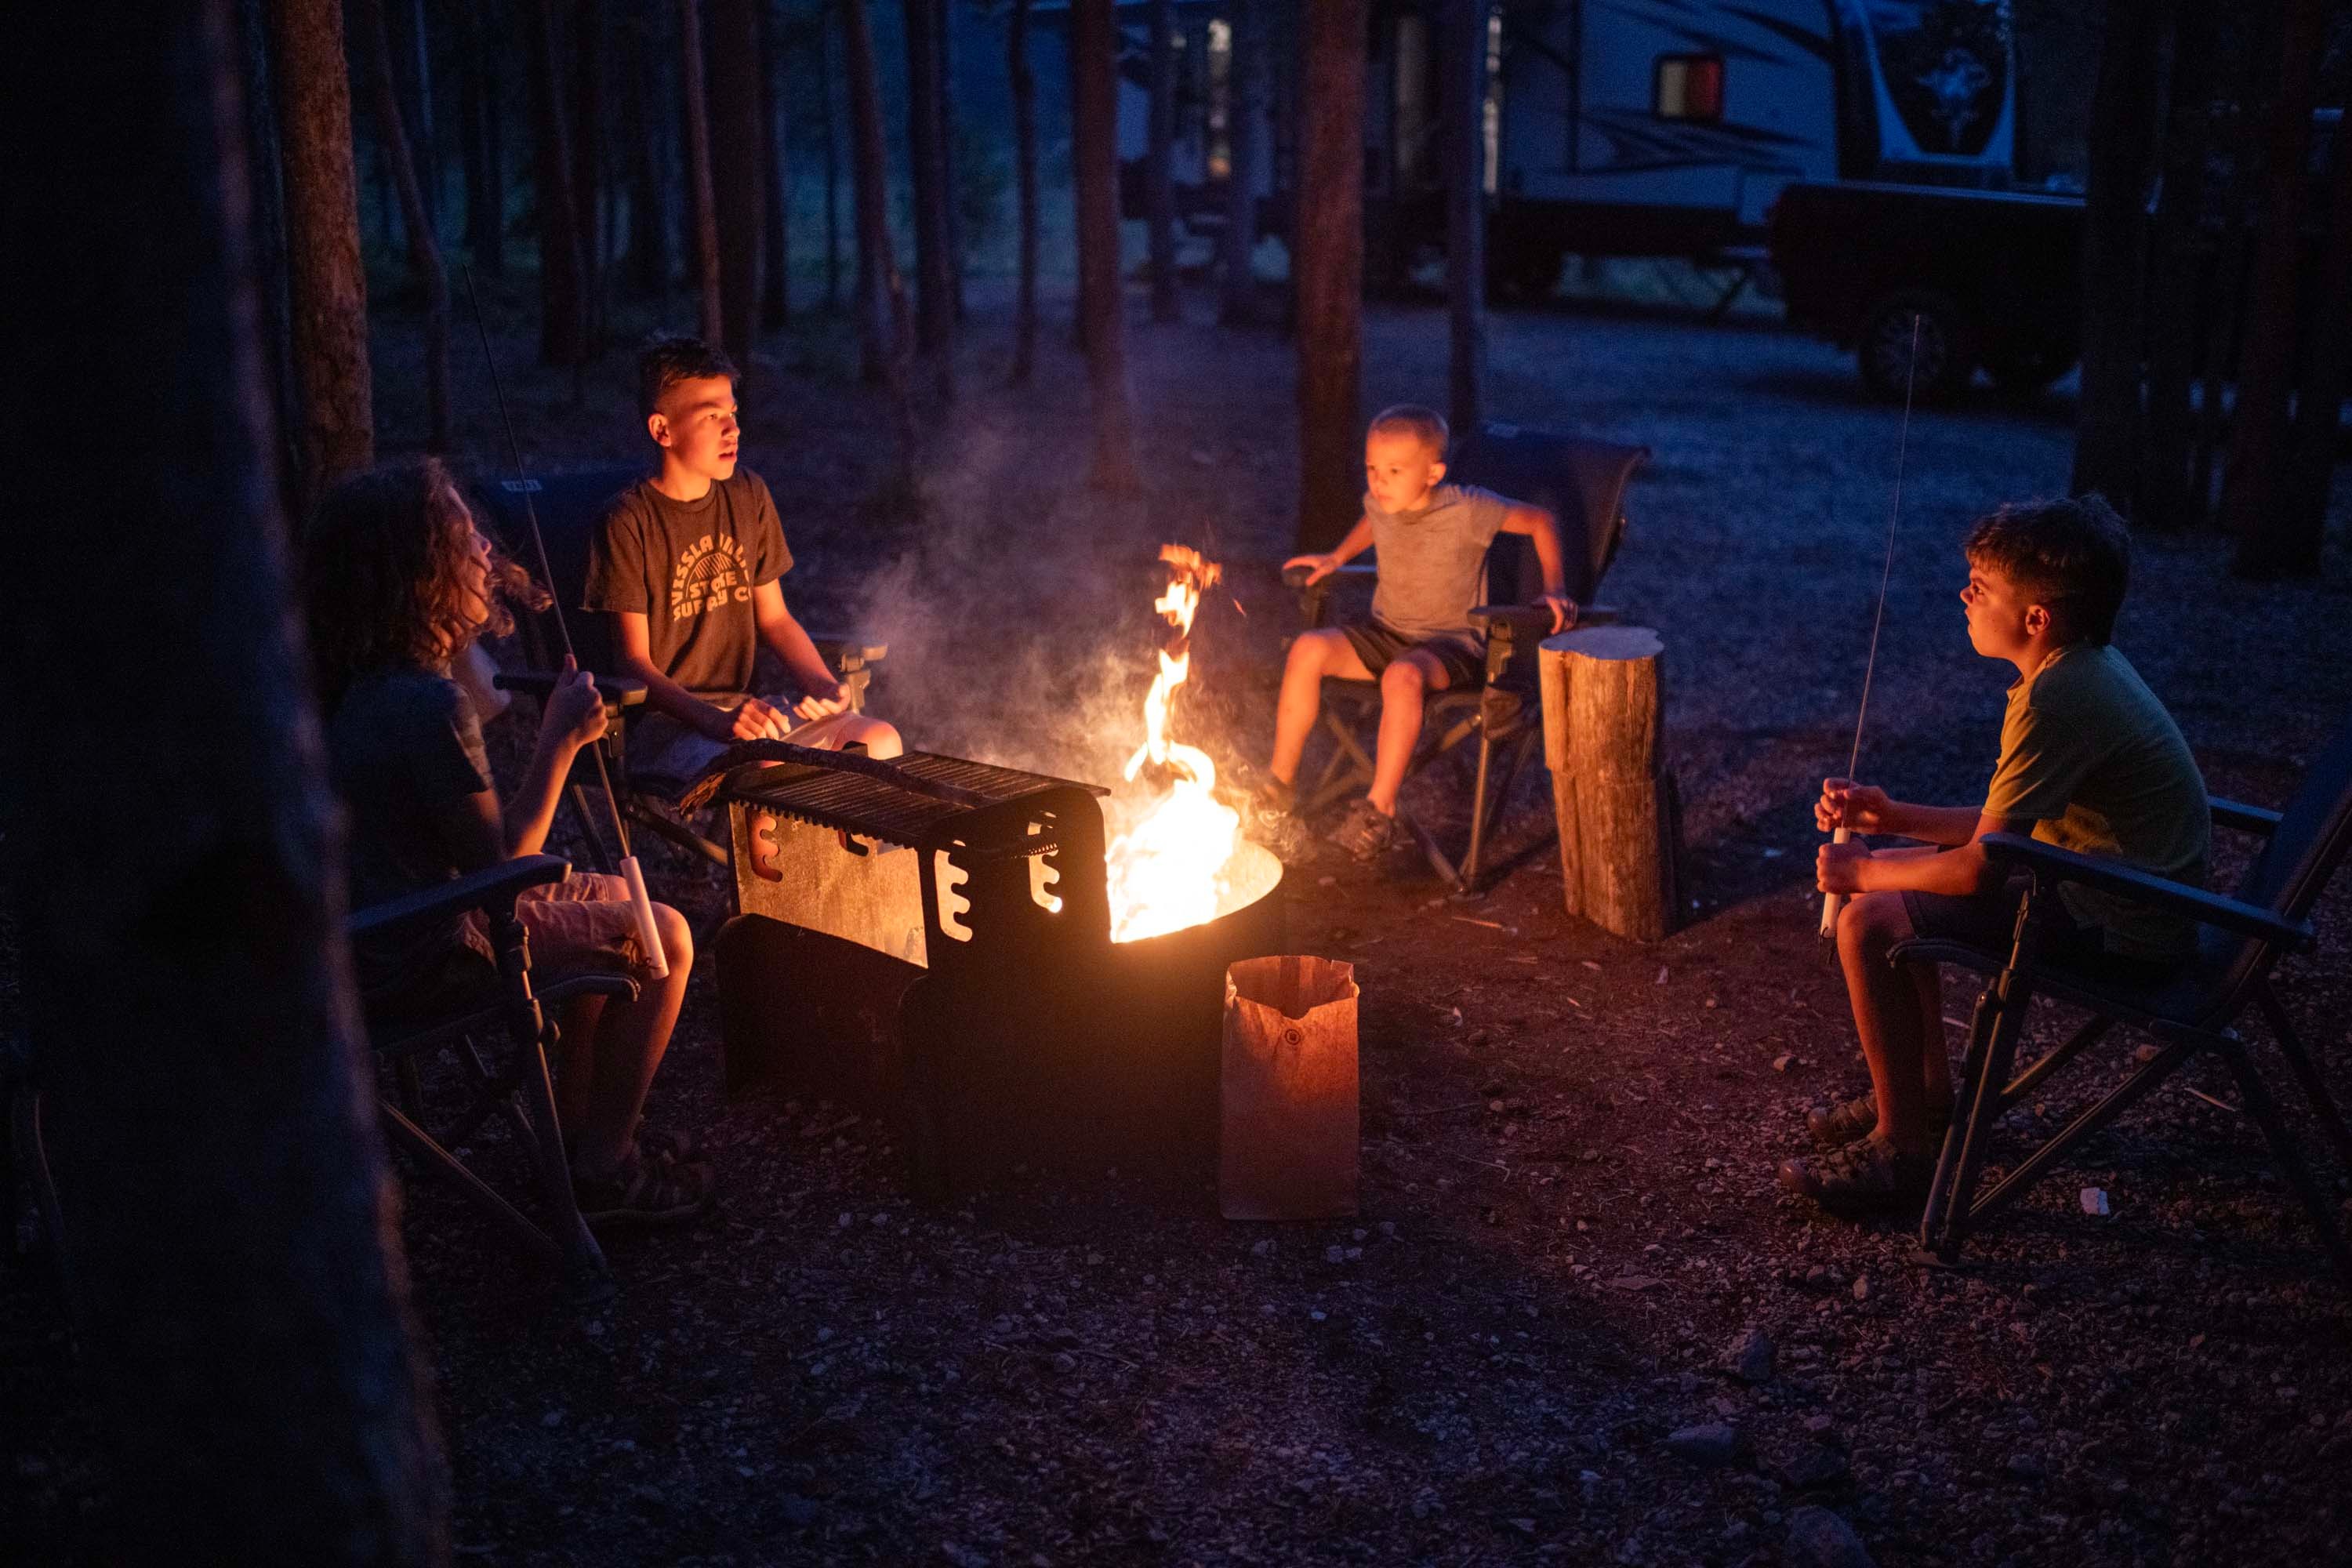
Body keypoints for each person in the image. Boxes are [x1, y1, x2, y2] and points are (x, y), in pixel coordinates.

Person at [304, 460, 713, 1227]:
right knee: (668, 937)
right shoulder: (427, 706)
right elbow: (504, 866)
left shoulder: (369, 689)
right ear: (420, 572)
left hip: (391, 927)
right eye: (467, 542)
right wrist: (561, 739)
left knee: (610, 906)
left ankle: (577, 1141)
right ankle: (605, 1167)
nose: (487, 555)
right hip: (426, 950)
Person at [1784, 495, 2209, 1216]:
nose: (1964, 595)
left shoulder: (2055, 700)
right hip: (2110, 888)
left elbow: (1981, 865)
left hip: (2125, 922)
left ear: (2035, 617)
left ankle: (1904, 1150)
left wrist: (1861, 870)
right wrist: (1888, 817)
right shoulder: (2076, 670)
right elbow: (2000, 829)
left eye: (1981, 586)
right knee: (1895, 882)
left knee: (1867, 920)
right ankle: (1922, 1100)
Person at [586, 334, 900, 787]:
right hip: (669, 730)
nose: (733, 429)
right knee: (773, 766)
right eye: (712, 416)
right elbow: (635, 663)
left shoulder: (747, 495)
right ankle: (781, 861)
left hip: (748, 713)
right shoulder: (628, 522)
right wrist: (714, 721)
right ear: (662, 430)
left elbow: (775, 619)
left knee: (878, 740)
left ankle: (856, 860)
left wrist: (825, 687)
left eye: (732, 413)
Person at [1268, 405, 1573, 858]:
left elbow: (1540, 521)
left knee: (1401, 677)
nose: (1378, 481)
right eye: (1372, 468)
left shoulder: (1468, 508)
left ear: (1433, 473)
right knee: (1309, 648)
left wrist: (1555, 590)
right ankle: (1277, 788)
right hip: (1387, 631)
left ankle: (1379, 810)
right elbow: (1375, 519)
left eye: (1394, 470)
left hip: (1450, 647)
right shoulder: (1383, 500)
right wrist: (1336, 557)